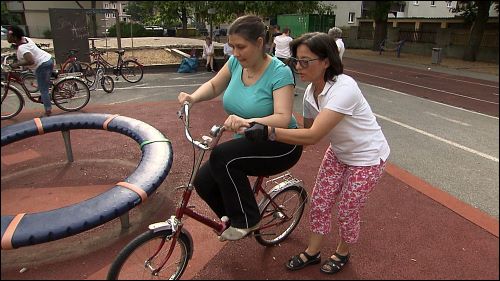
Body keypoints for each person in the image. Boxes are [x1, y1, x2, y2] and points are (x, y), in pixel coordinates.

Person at [243, 32, 390, 274]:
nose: (298, 67)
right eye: (296, 61)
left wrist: (270, 132)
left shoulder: (344, 88)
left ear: (326, 61)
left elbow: (312, 136)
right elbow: (307, 133)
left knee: (347, 209)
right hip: (339, 152)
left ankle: (342, 251)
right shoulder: (311, 93)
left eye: (305, 61)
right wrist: (265, 125)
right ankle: (313, 252)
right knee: (320, 202)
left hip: (367, 157)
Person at [177, 15, 302, 241]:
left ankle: (247, 219)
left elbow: (283, 118)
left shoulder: (279, 72)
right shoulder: (235, 63)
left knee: (222, 156)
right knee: (203, 181)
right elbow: (215, 85)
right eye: (232, 46)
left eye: (241, 47)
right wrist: (191, 98)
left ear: (260, 42)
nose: (235, 53)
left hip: (282, 143)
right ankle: (234, 218)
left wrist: (248, 121)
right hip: (252, 138)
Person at [7, 25, 54, 117]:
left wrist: (16, 64)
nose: (7, 38)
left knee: (43, 90)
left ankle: (48, 111)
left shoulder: (22, 48)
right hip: (47, 59)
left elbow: (30, 60)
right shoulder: (25, 39)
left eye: (9, 36)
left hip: (42, 65)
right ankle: (47, 86)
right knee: (43, 81)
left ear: (15, 37)